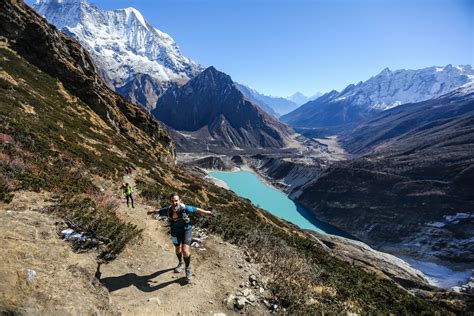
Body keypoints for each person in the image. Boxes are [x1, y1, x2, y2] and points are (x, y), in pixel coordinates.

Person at [147, 193, 213, 283]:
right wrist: (151, 211)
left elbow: (196, 209)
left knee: (185, 250)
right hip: (175, 232)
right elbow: (159, 211)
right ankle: (180, 263)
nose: (175, 203)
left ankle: (188, 269)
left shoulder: (185, 208)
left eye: (176, 200)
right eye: (173, 201)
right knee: (177, 248)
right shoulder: (168, 210)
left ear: (179, 201)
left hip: (186, 230)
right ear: (170, 201)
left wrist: (206, 212)